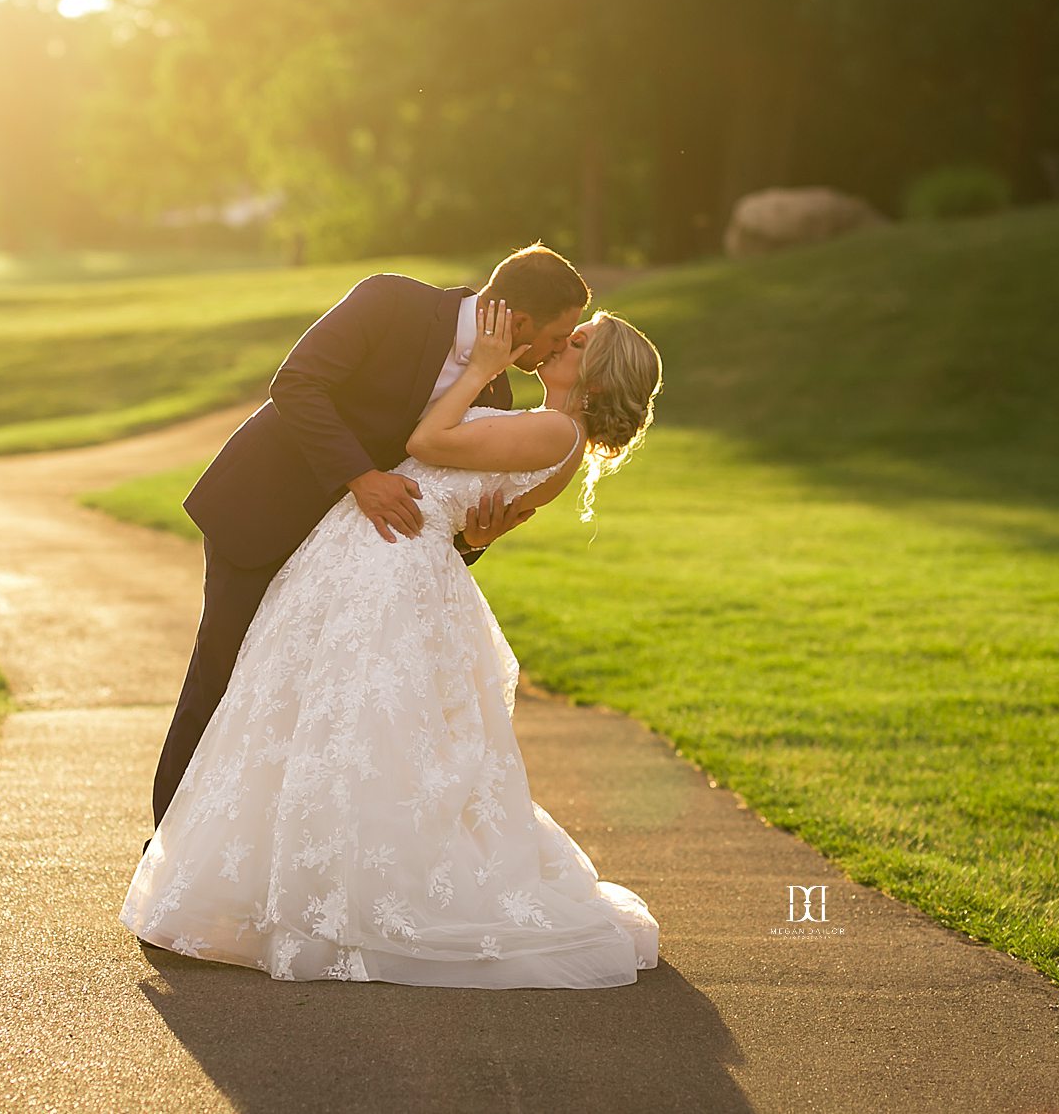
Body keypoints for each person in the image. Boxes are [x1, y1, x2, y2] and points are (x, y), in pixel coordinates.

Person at [122, 296, 666, 987]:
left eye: (580, 340)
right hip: (381, 553)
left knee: (348, 725)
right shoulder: (545, 427)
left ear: (596, 373)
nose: (563, 341)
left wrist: (479, 372)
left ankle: (327, 890)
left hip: (387, 563)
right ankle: (272, 873)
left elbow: (427, 445)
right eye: (568, 330)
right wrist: (477, 529)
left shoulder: (555, 430)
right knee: (321, 715)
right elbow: (475, 508)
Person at [148, 244, 593, 832]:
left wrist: (476, 539)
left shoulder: (495, 397)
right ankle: (169, 852)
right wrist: (360, 477)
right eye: (557, 338)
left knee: (301, 704)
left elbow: (433, 510)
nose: (556, 352)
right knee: (225, 678)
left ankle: (265, 861)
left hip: (345, 565)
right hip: (263, 514)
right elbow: (298, 383)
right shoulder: (392, 301)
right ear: (519, 322)